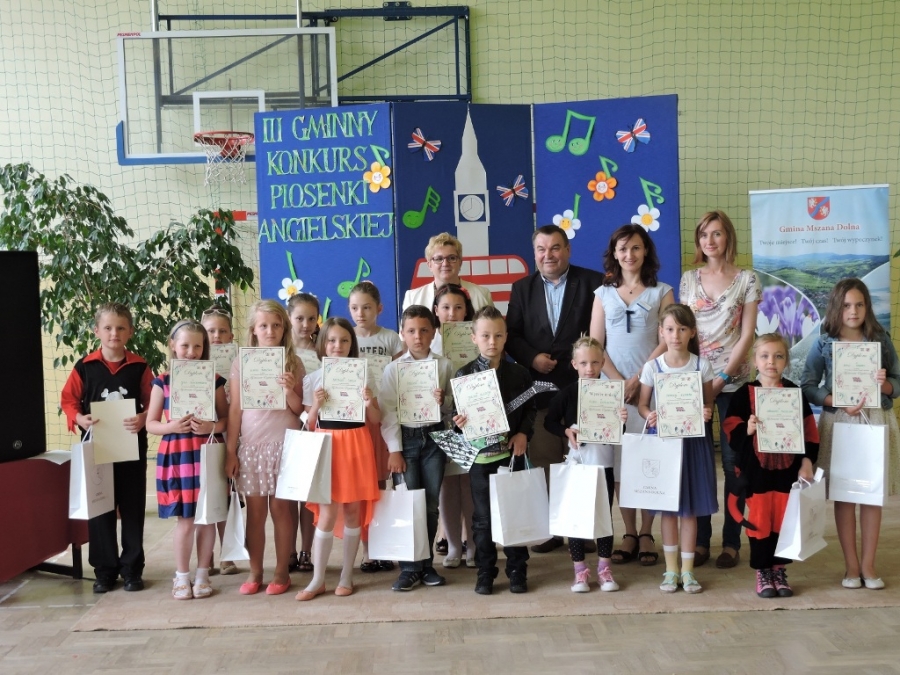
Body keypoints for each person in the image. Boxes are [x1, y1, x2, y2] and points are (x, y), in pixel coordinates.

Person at [506, 224, 604, 554]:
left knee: (584, 462)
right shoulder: (521, 288)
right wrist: (532, 358)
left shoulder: (592, 283)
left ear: (567, 250)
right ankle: (555, 529)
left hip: (583, 390)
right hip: (540, 390)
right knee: (547, 461)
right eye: (541, 249)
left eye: (555, 248)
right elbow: (512, 335)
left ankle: (585, 530)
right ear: (534, 253)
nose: (548, 255)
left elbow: (600, 333)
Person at [801, 278, 900, 589]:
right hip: (839, 422)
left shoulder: (881, 340)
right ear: (836, 307)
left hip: (875, 420)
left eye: (859, 304)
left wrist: (885, 384)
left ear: (867, 307)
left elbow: (897, 383)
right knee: (844, 497)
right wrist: (835, 400)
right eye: (846, 305)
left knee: (871, 496)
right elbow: (808, 385)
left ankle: (869, 566)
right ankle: (852, 567)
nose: (853, 311)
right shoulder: (823, 343)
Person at [679, 210, 760, 569]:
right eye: (704, 235)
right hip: (693, 384)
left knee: (732, 463)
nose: (710, 241)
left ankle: (731, 542)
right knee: (698, 461)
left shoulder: (747, 280)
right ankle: (700, 542)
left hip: (734, 383)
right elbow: (684, 332)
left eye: (716, 233)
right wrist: (697, 383)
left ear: (728, 237)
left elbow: (747, 335)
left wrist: (722, 379)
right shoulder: (688, 280)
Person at [590, 223, 673, 566]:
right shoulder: (602, 294)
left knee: (649, 459)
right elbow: (595, 344)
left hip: (651, 387)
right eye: (623, 248)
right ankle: (628, 532)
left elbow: (667, 339)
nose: (629, 254)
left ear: (646, 251)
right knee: (622, 462)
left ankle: (648, 532)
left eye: (636, 247)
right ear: (614, 253)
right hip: (613, 389)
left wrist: (639, 379)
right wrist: (619, 382)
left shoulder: (662, 292)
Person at [60, 302, 153, 593]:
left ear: (130, 332)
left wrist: (143, 418)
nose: (114, 333)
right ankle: (104, 571)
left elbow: (153, 401)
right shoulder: (84, 367)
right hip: (96, 449)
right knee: (100, 509)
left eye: (121, 328)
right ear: (96, 331)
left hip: (131, 448)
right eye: (108, 328)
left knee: (132, 508)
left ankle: (132, 570)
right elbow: (68, 400)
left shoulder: (140, 366)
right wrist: (80, 418)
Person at [723, 333, 819, 598]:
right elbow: (730, 428)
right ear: (754, 360)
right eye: (764, 356)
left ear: (786, 361)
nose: (771, 362)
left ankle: (779, 570)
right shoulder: (744, 394)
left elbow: (809, 432)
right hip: (756, 472)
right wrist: (748, 429)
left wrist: (807, 461)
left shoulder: (794, 394)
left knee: (784, 519)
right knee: (761, 519)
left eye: (778, 356)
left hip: (788, 471)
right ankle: (763, 571)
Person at [453, 307, 536, 595]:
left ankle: (517, 568)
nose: (492, 341)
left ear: (506, 337)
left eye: (498, 335)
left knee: (513, 512)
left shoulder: (520, 373)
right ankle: (486, 570)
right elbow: (456, 419)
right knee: (483, 518)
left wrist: (524, 433)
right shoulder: (464, 375)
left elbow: (530, 409)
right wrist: (459, 423)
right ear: (474, 338)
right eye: (486, 335)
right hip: (481, 458)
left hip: (512, 455)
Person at [224, 300, 306, 596]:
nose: (270, 331)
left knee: (282, 509)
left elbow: (301, 410)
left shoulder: (294, 363)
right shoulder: (241, 363)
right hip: (252, 446)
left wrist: (288, 390)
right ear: (254, 330)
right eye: (263, 326)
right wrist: (231, 451)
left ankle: (282, 571)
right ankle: (255, 570)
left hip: (285, 445)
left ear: (284, 329)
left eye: (276, 325)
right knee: (256, 513)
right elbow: (235, 410)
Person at [298, 318, 382, 600]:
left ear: (351, 344)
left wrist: (368, 403)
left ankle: (346, 576)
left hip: (356, 444)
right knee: (326, 513)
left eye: (344, 340)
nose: (338, 345)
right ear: (323, 344)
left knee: (353, 512)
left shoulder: (363, 375)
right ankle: (318, 579)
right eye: (332, 340)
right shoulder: (313, 378)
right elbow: (309, 424)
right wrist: (316, 406)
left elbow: (375, 419)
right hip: (327, 445)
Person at [638, 304, 718, 594]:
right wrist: (650, 415)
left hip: (694, 444)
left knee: (690, 511)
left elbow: (708, 404)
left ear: (692, 332)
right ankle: (671, 570)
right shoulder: (653, 367)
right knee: (669, 510)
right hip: (665, 445)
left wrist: (707, 412)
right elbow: (642, 404)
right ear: (661, 332)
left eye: (682, 329)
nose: (676, 335)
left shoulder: (701, 366)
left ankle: (688, 570)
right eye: (670, 329)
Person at [146, 320, 229, 599]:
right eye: (185, 345)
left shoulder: (214, 380)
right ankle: (181, 576)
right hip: (178, 456)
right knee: (186, 520)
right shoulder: (162, 382)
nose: (191, 352)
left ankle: (203, 575)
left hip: (207, 453)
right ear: (172, 345)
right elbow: (151, 423)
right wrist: (171, 426)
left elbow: (226, 420)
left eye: (197, 346)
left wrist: (210, 427)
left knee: (207, 519)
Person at [380, 305, 455, 590]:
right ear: (402, 333)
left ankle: (426, 565)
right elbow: (388, 411)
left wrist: (442, 401)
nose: (418, 336)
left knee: (430, 505)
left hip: (434, 438)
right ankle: (409, 567)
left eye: (424, 330)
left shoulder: (444, 366)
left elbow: (452, 409)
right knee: (408, 504)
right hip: (406, 440)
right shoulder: (393, 369)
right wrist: (394, 449)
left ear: (434, 332)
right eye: (411, 331)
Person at [544, 336, 627, 593]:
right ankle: (580, 571)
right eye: (583, 363)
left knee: (604, 516)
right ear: (574, 364)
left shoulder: (611, 393)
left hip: (603, 465)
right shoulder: (568, 393)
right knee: (576, 517)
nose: (589, 369)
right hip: (578, 464)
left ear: (602, 363)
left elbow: (618, 432)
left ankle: (604, 569)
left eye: (594, 363)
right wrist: (566, 431)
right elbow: (549, 421)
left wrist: (621, 420)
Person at [348, 280, 400, 574]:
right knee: (361, 488)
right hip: (354, 423)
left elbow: (400, 376)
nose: (360, 313)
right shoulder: (345, 338)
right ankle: (367, 551)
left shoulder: (391, 339)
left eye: (367, 307)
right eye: (355, 308)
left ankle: (382, 548)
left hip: (382, 419)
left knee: (380, 486)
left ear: (379, 308)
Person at [432, 283, 477, 567]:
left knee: (469, 482)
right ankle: (452, 545)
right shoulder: (429, 342)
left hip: (472, 420)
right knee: (447, 484)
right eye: (446, 307)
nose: (452, 313)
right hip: (442, 422)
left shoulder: (476, 339)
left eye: (458, 307)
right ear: (436, 311)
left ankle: (471, 542)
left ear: (466, 311)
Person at [200, 305, 240, 576]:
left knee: (225, 494)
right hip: (198, 438)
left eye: (222, 331)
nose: (216, 336)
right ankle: (207, 557)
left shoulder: (238, 361)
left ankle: (228, 554)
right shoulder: (188, 363)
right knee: (203, 495)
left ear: (231, 336)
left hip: (227, 432)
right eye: (210, 331)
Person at [286, 292, 322, 575]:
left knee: (309, 494)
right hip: (286, 429)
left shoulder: (323, 351)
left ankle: (306, 551)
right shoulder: (279, 352)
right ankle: (288, 549)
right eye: (299, 318)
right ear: (289, 318)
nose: (306, 324)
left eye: (311, 318)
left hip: (314, 429)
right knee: (288, 494)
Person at [402, 232, 494, 311]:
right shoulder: (413, 298)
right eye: (439, 259)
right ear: (429, 265)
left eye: (452, 258)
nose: (445, 264)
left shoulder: (482, 294)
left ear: (460, 263)